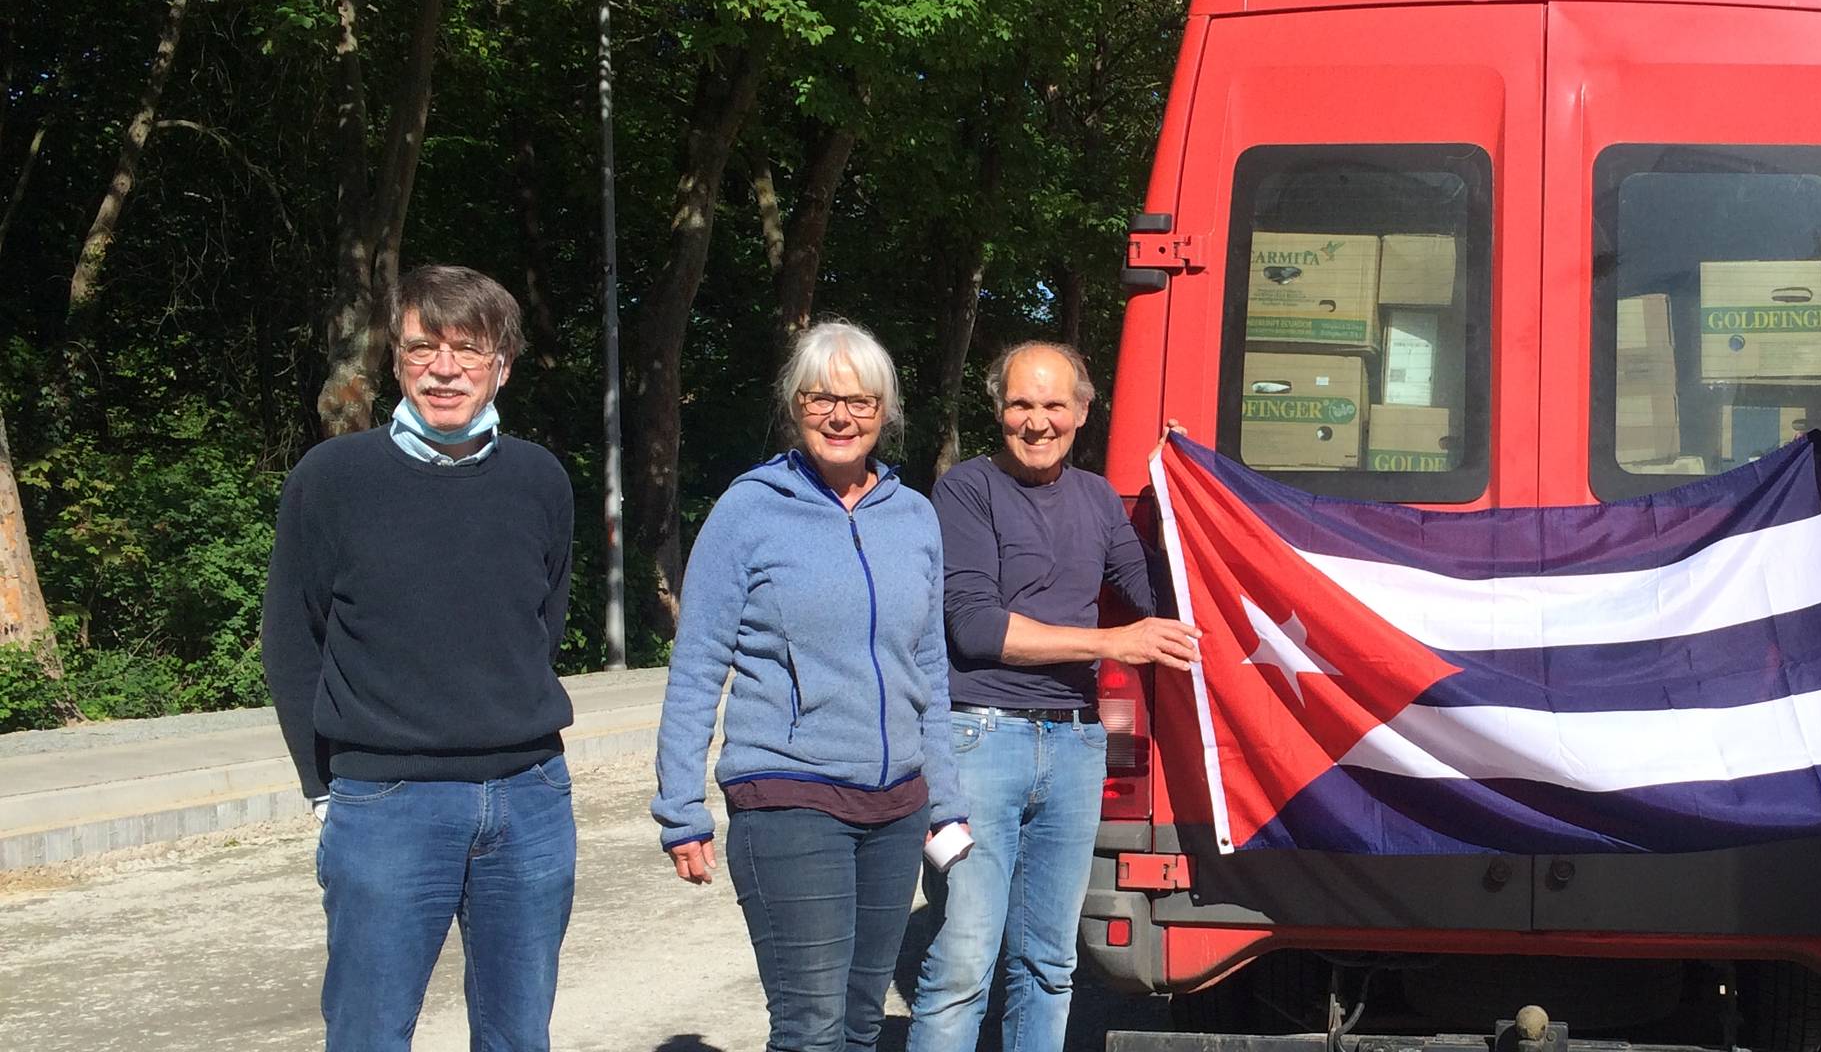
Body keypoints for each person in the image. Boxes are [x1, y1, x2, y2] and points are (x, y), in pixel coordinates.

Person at [261, 264, 578, 1051]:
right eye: (421, 348)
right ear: (396, 361)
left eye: (468, 350)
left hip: (531, 798)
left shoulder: (540, 479)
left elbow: (543, 623)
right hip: (386, 804)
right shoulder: (332, 480)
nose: (444, 369)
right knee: (369, 1034)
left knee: (519, 1036)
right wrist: (324, 789)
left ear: (501, 364)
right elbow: (291, 642)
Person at [652, 320, 970, 1052]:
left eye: (859, 402)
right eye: (819, 398)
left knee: (863, 1022)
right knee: (812, 1025)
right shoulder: (748, 511)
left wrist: (944, 799)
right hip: (789, 798)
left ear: (885, 413)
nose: (839, 416)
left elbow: (928, 671)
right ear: (794, 406)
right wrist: (680, 807)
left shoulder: (915, 517)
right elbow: (698, 662)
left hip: (896, 808)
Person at [907, 341, 1198, 1052]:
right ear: (998, 409)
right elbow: (974, 628)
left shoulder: (1098, 497)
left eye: (1053, 406)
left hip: (1073, 747)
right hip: (979, 739)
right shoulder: (965, 490)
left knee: (1051, 966)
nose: (1037, 423)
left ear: (1082, 410)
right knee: (964, 963)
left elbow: (1159, 596)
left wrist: (1185, 493)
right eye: (1020, 405)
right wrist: (1110, 645)